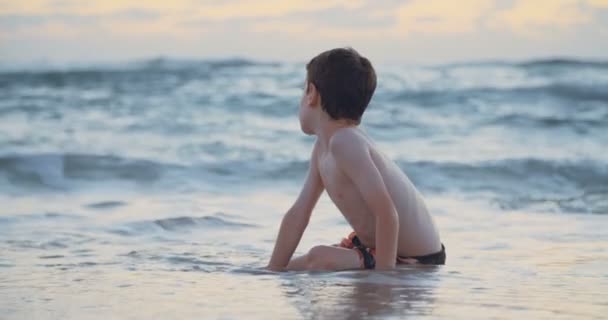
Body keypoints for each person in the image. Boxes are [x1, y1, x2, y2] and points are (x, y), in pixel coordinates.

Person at [267, 48, 445, 271]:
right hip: (381, 248)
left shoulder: (346, 142)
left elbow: (386, 212)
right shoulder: (323, 148)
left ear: (311, 93)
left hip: (416, 258)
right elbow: (298, 215)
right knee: (296, 266)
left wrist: (384, 280)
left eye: (303, 90)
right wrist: (272, 270)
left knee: (317, 256)